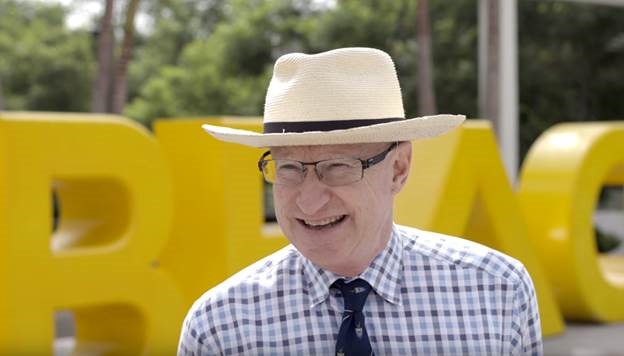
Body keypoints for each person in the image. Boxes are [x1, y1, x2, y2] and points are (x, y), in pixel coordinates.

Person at [178, 47, 542, 355]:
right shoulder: (219, 326)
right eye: (288, 168)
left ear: (399, 168)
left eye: (338, 166)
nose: (309, 201)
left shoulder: (498, 290)